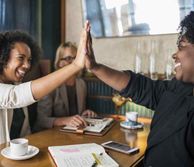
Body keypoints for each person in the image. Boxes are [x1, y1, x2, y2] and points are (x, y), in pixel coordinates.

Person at [85, 12, 194, 166]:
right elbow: (141, 87)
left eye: (182, 46)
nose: (174, 55)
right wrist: (94, 67)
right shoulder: (178, 88)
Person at [0, 21, 89, 144]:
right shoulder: (17, 91)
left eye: (29, 60)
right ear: (2, 57)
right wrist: (75, 65)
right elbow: (15, 96)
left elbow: (26, 133)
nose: (27, 65)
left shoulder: (17, 86)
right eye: (21, 58)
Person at [35, 42, 96, 131]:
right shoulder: (50, 85)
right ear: (59, 63)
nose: (75, 62)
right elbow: (41, 120)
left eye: (76, 58)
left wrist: (85, 113)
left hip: (75, 132)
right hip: (53, 134)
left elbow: (77, 114)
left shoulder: (81, 84)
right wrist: (65, 121)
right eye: (68, 58)